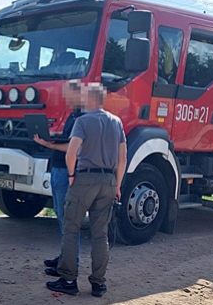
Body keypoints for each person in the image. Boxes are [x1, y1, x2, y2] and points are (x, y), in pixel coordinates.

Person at [46, 83, 126, 298]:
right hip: (108, 180)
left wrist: (71, 175)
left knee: (71, 229)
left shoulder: (82, 121)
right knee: (100, 234)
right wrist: (117, 185)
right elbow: (122, 157)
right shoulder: (116, 122)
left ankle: (69, 280)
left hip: (85, 178)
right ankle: (99, 283)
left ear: (88, 99)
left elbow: (71, 154)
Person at [32, 80, 83, 271]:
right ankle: (65, 257)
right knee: (61, 217)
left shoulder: (82, 117)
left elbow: (74, 147)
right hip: (58, 169)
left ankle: (70, 263)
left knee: (68, 219)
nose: (66, 98)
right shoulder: (73, 115)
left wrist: (49, 145)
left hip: (65, 172)